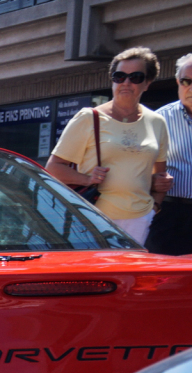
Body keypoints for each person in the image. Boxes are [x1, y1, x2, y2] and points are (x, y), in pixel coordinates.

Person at [48, 47, 170, 245]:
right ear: (112, 80)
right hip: (93, 217)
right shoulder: (89, 118)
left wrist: (154, 208)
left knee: (130, 275)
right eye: (119, 76)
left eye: (136, 77)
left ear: (147, 83)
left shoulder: (157, 122)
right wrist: (87, 179)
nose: (126, 83)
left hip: (140, 220)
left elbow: (161, 176)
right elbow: (53, 168)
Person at [147, 53, 192, 255]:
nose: (190, 87)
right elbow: (142, 165)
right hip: (171, 212)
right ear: (177, 82)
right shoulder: (159, 119)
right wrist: (152, 180)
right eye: (186, 81)